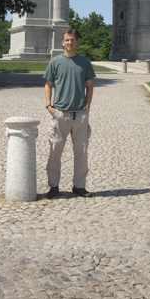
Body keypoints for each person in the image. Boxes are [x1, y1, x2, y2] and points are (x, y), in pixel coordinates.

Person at [43, 28, 96, 199]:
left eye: (72, 40)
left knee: (81, 151)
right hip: (60, 113)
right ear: (62, 42)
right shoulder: (55, 62)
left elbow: (89, 86)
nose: (69, 43)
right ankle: (53, 186)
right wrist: (49, 106)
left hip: (80, 113)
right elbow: (48, 84)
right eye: (67, 40)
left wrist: (87, 108)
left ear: (77, 42)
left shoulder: (85, 62)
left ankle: (79, 186)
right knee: (55, 150)